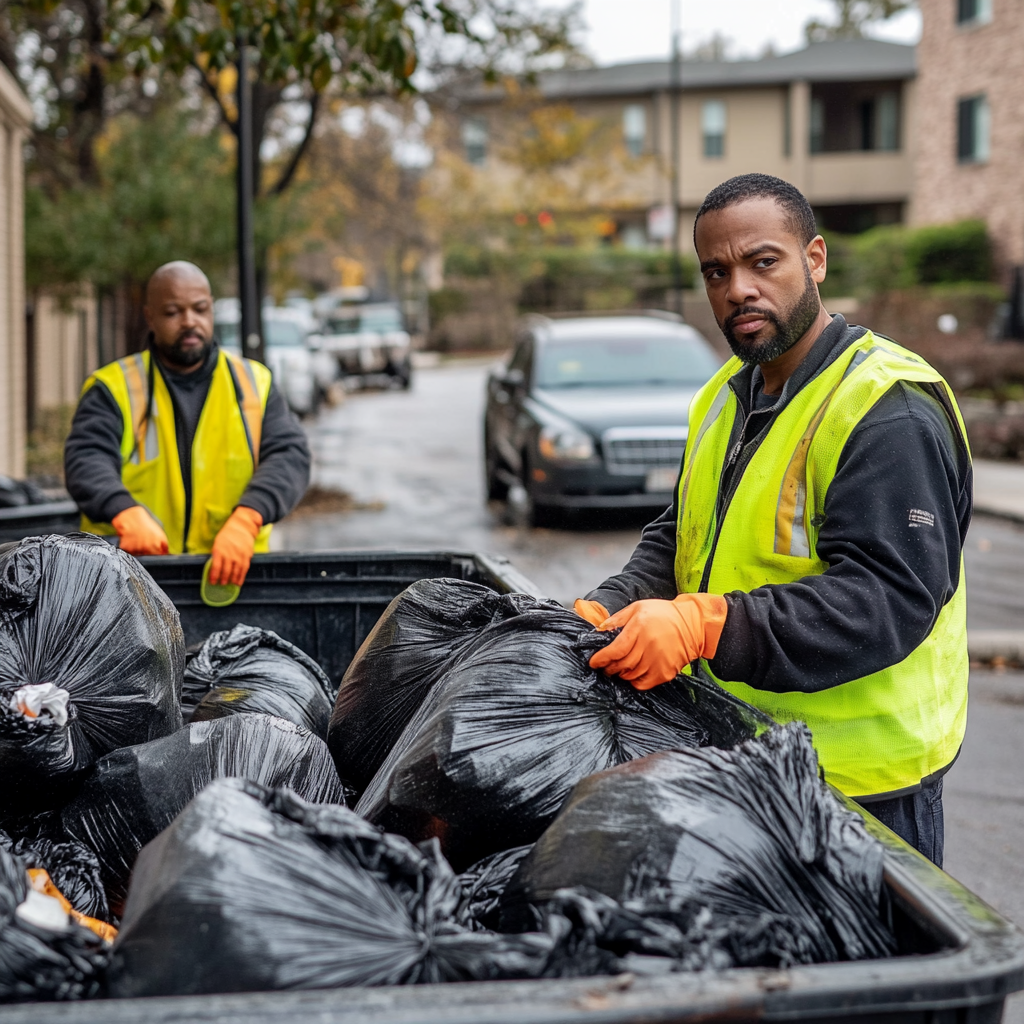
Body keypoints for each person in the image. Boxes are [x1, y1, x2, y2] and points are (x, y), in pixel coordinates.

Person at [574, 174, 971, 866]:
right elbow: (680, 538)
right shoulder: (723, 399)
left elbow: (888, 600)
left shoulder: (885, 408)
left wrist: (704, 625)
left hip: (861, 798)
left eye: (763, 262)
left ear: (814, 260)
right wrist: (611, 603)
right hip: (744, 767)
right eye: (716, 272)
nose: (738, 290)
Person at [65, 261, 310, 587]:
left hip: (232, 583)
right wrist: (123, 511)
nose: (189, 321)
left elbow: (290, 455)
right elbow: (86, 457)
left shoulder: (254, 383)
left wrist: (248, 519)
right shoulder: (114, 388)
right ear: (150, 317)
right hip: (129, 586)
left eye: (200, 309)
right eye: (172, 312)